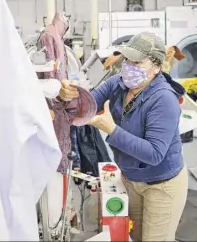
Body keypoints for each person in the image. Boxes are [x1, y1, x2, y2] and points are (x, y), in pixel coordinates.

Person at [61, 32, 188, 241]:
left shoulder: (163, 99)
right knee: (136, 236)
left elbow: (154, 154)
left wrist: (112, 130)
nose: (128, 65)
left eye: (137, 61)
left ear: (156, 67)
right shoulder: (117, 84)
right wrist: (67, 96)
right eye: (127, 59)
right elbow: (86, 105)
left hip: (162, 184)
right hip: (131, 179)